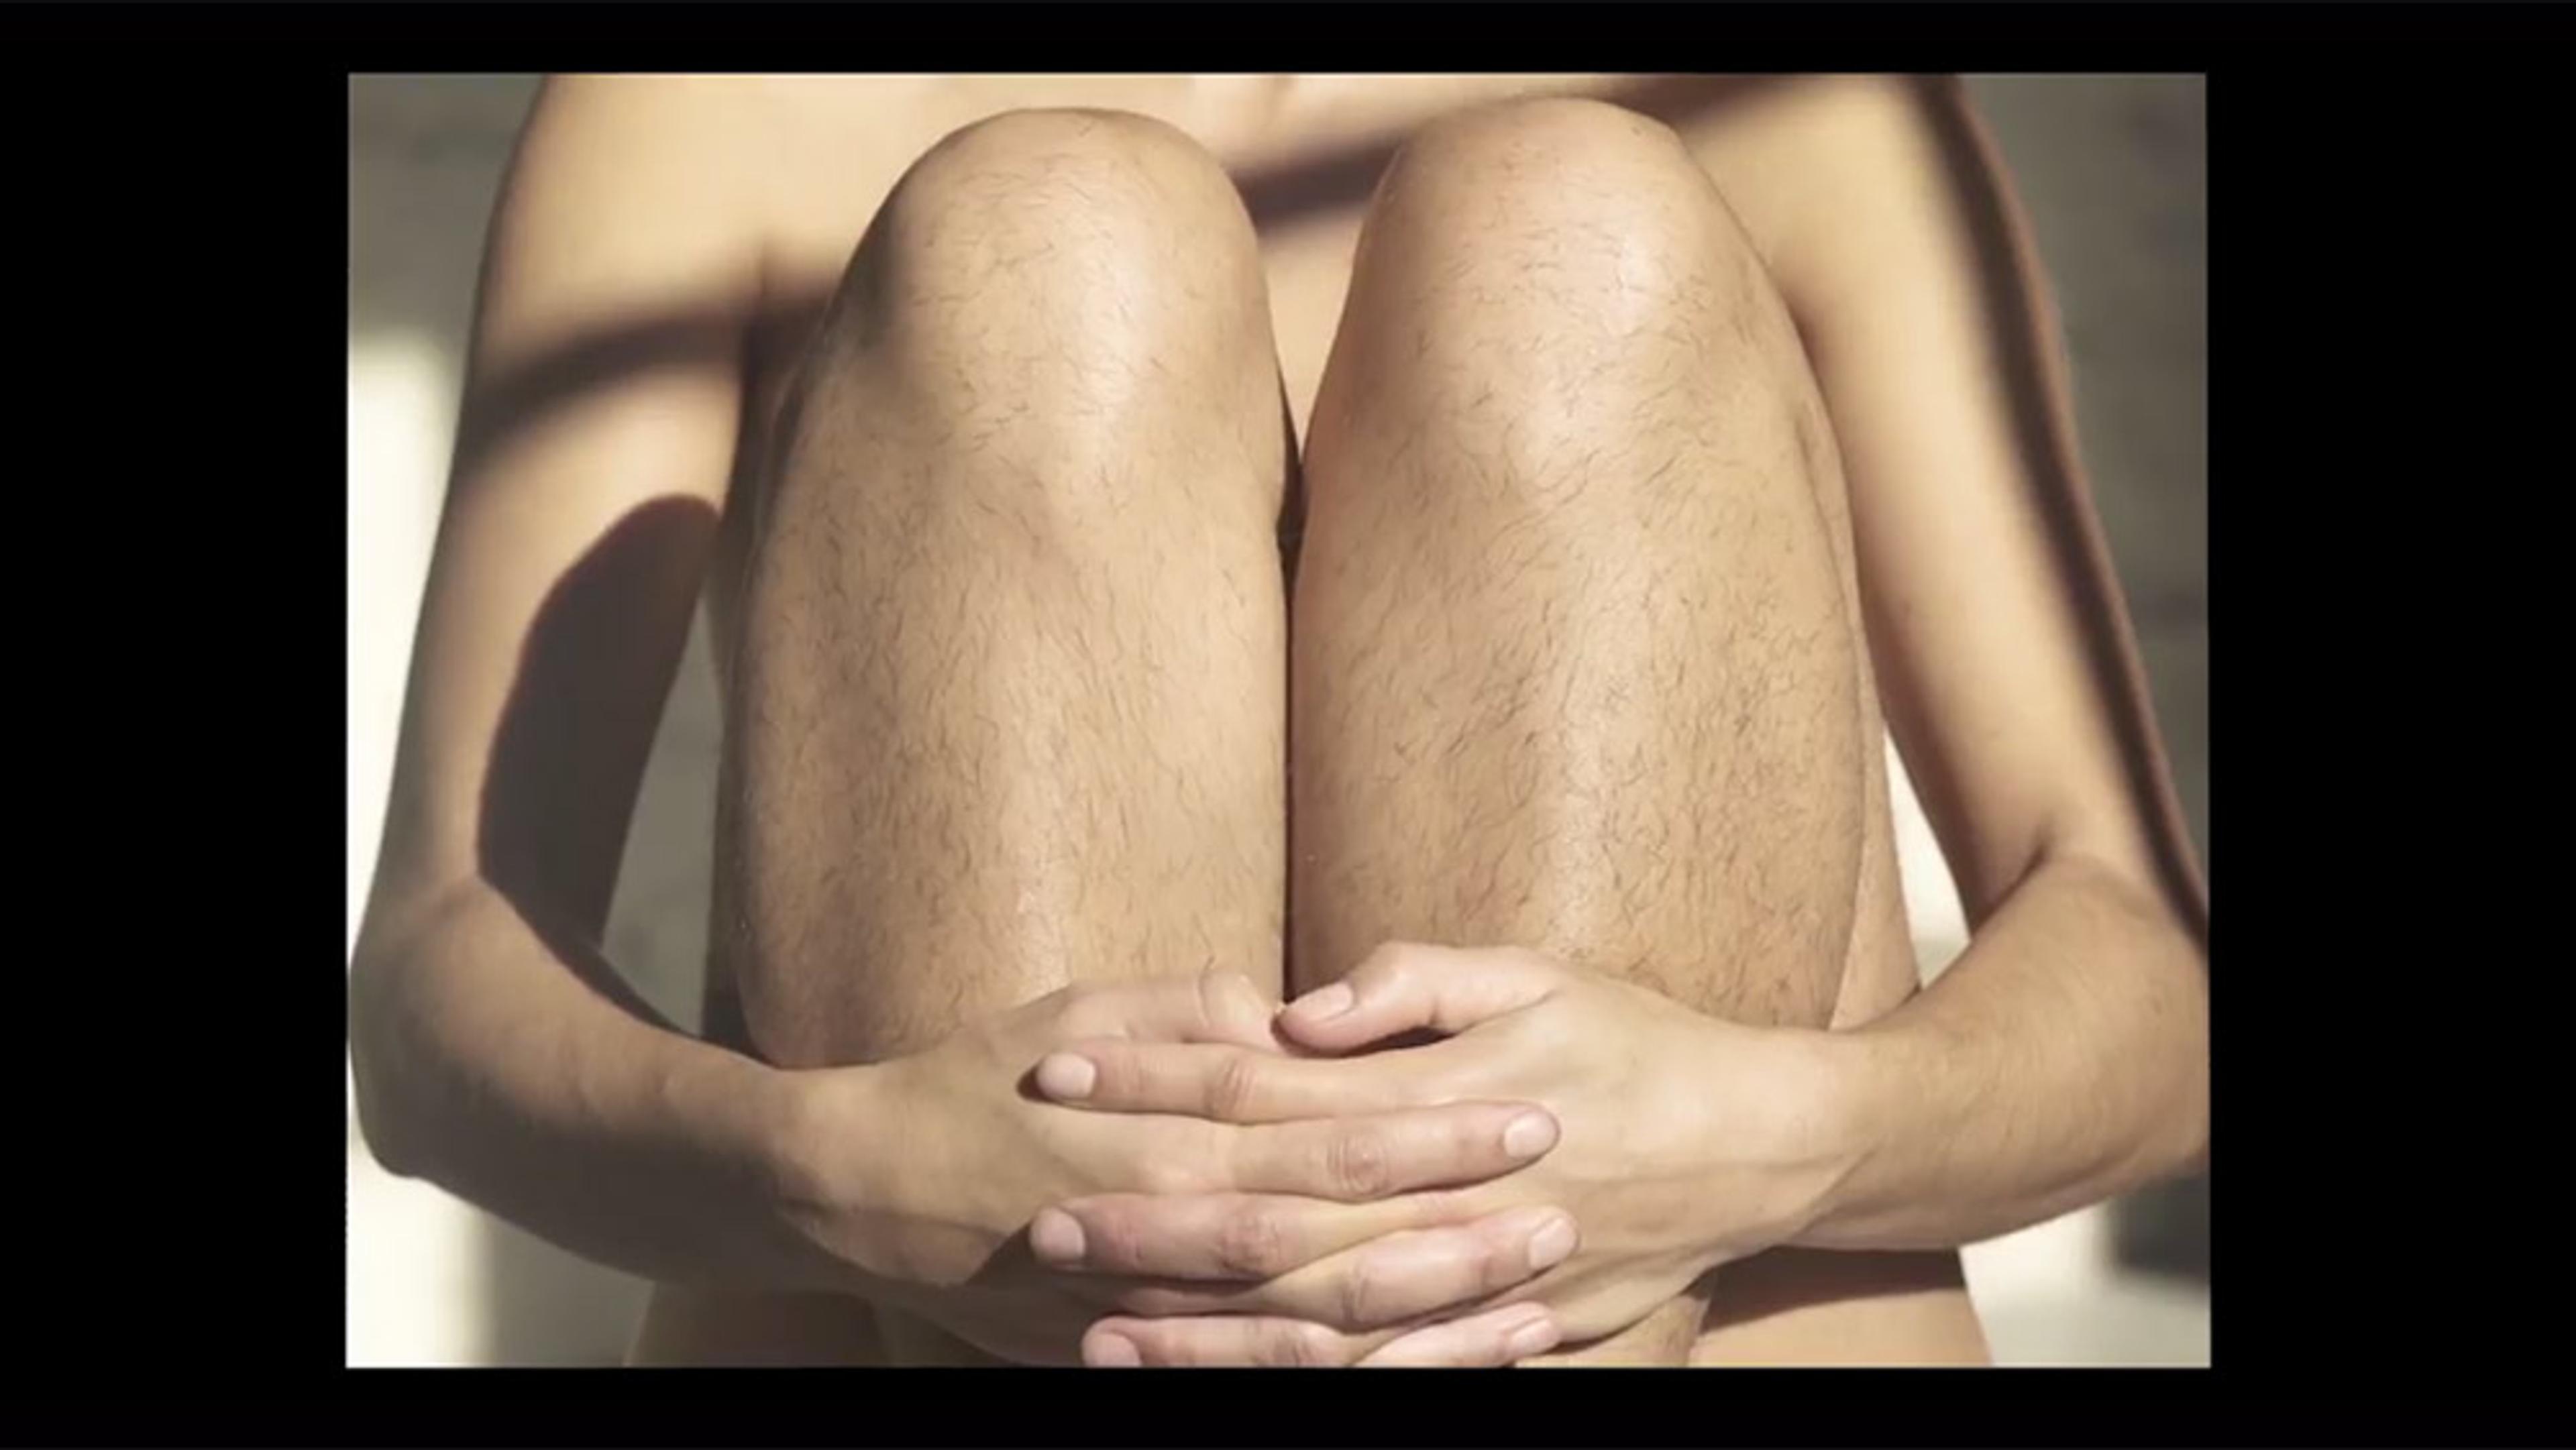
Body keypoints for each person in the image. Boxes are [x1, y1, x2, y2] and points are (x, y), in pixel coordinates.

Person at [346, 72, 2208, 1367]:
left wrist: (1773, 1137)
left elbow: (2150, 978)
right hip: (956, 1332)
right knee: (1044, 253)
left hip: (1705, 1325)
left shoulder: (1791, 103)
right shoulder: (722, 108)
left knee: (1569, 237)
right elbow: (434, 986)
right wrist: (827, 1169)